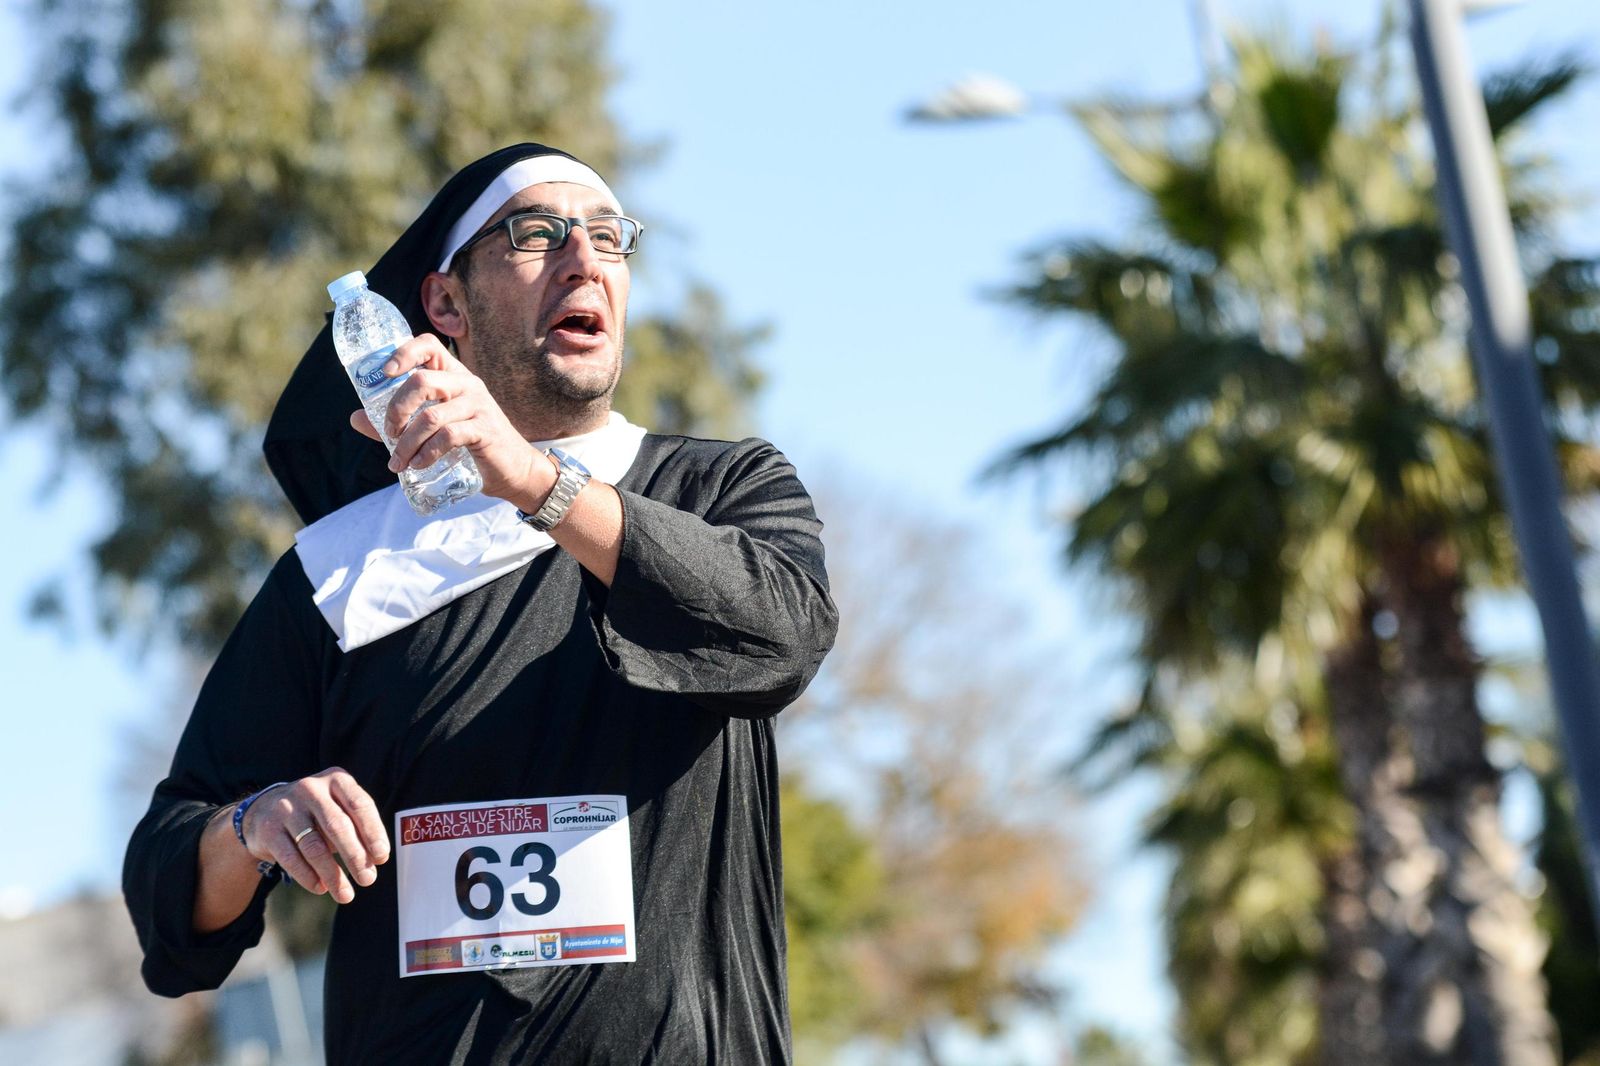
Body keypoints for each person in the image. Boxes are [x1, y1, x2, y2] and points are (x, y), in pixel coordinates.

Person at [123, 142, 838, 1065]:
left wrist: (532, 480)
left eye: (611, 239)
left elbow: (783, 635)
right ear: (445, 304)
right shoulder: (338, 571)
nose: (585, 260)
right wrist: (256, 825)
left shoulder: (721, 485)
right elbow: (168, 896)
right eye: (536, 235)